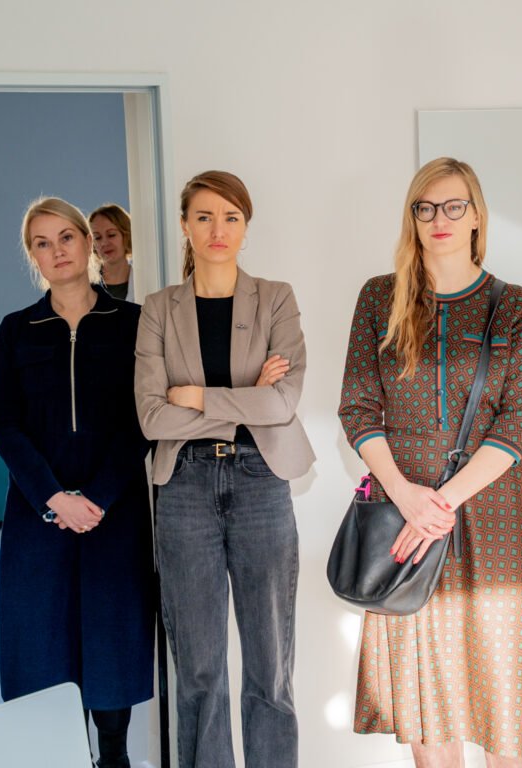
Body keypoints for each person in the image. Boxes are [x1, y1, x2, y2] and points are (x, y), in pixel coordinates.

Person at [338, 157, 522, 766]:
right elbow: (357, 406)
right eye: (426, 207)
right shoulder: (379, 298)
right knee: (427, 703)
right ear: (412, 217)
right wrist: (407, 497)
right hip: (402, 510)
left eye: (455, 206)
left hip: (493, 515)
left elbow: (519, 416)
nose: (440, 218)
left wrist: (440, 503)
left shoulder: (512, 305)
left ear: (477, 215)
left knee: (505, 699)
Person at [134, 170, 313, 768]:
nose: (218, 229)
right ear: (185, 226)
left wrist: (197, 397)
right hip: (184, 488)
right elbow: (152, 418)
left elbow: (282, 404)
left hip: (261, 481)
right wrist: (245, 399)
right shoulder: (158, 309)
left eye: (231, 217)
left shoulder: (276, 298)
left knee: (271, 665)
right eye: (205, 216)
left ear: (245, 227)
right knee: (199, 670)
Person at [0, 197, 155, 768]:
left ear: (88, 243)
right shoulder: (16, 331)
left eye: (66, 237)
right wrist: (55, 497)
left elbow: (142, 419)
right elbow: (5, 425)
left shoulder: (133, 324)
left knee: (111, 642)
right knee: (42, 644)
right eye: (42, 242)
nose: (56, 250)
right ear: (32, 256)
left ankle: (114, 757)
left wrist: (97, 498)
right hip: (39, 519)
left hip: (115, 514)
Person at [89, 203, 135, 301]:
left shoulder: (145, 281)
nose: (104, 243)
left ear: (126, 235)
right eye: (97, 237)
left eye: (111, 235)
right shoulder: (85, 285)